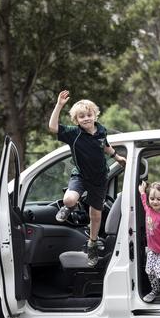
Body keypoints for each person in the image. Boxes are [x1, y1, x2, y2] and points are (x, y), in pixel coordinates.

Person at [48, 90, 126, 267]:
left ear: (95, 115)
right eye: (81, 117)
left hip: (99, 178)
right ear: (76, 120)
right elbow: (53, 127)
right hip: (81, 176)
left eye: (89, 115)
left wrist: (117, 157)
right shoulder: (72, 133)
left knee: (95, 216)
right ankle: (69, 207)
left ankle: (92, 243)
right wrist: (59, 105)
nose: (86, 119)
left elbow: (104, 145)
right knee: (68, 199)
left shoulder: (101, 130)